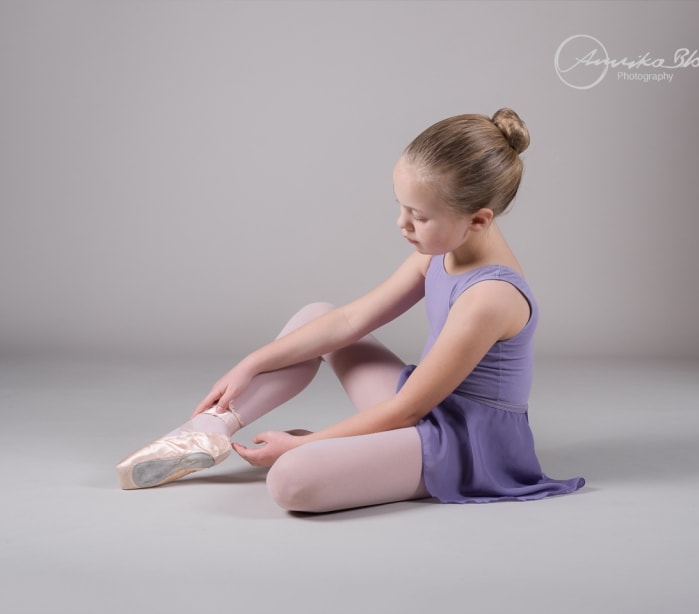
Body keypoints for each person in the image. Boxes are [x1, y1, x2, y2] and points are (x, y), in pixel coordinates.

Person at [116, 108, 585, 512]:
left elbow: (407, 408)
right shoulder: (440, 249)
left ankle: (341, 452)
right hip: (426, 407)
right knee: (316, 314)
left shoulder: (490, 297)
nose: (402, 225)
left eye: (418, 217)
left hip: (465, 444)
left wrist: (303, 445)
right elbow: (348, 322)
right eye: (401, 207)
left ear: (478, 219)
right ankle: (207, 430)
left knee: (291, 481)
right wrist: (250, 362)